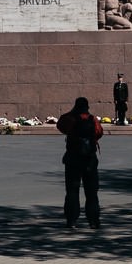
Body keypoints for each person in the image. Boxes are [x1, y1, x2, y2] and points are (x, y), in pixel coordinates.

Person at [56, 96, 101, 228]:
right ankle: (93, 220)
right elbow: (99, 133)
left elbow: (61, 126)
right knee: (92, 192)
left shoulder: (70, 119)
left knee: (72, 191)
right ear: (87, 107)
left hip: (73, 159)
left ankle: (71, 220)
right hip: (90, 161)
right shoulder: (93, 119)